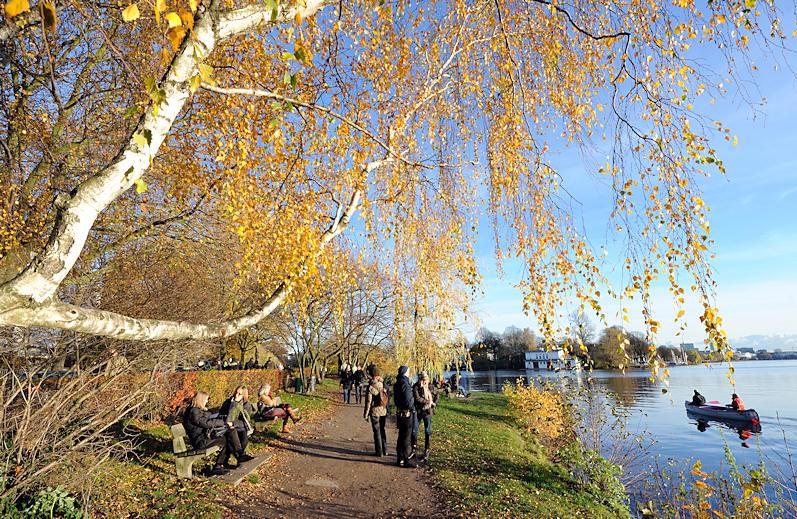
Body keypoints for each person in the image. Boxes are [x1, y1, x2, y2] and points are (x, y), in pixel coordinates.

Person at [183, 391, 234, 476]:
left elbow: (208, 417)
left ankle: (220, 465)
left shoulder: (197, 410)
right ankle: (218, 466)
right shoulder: (193, 411)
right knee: (228, 440)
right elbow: (206, 423)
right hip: (200, 441)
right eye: (206, 399)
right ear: (201, 400)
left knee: (227, 439)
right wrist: (223, 422)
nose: (207, 401)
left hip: (203, 438)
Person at [219, 386, 255, 466]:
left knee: (244, 440)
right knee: (231, 439)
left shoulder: (246, 405)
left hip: (240, 427)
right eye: (236, 392)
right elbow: (222, 414)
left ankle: (238, 459)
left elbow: (245, 422)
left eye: (239, 394)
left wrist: (234, 423)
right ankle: (239, 458)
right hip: (227, 428)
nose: (236, 395)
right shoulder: (228, 402)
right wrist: (233, 405)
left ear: (244, 395)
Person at [393, 365, 416, 468]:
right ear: (405, 372)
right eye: (408, 371)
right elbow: (408, 400)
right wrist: (412, 404)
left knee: (401, 436)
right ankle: (405, 460)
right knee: (406, 437)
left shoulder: (397, 382)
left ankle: (400, 458)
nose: (409, 373)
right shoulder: (405, 383)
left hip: (400, 413)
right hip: (406, 414)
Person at [363, 366, 388, 457]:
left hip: (375, 411)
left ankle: (379, 451)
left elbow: (368, 402)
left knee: (376, 431)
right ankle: (385, 450)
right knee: (382, 430)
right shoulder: (383, 384)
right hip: (383, 410)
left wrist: (366, 414)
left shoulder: (371, 387)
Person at [411, 371, 436, 462]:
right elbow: (417, 399)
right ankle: (413, 450)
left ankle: (427, 450)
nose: (425, 382)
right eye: (423, 379)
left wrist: (434, 403)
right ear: (419, 379)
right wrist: (428, 401)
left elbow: (437, 395)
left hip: (428, 412)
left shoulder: (431, 386)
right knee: (414, 431)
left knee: (427, 431)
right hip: (418, 411)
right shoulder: (416, 387)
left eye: (426, 380)